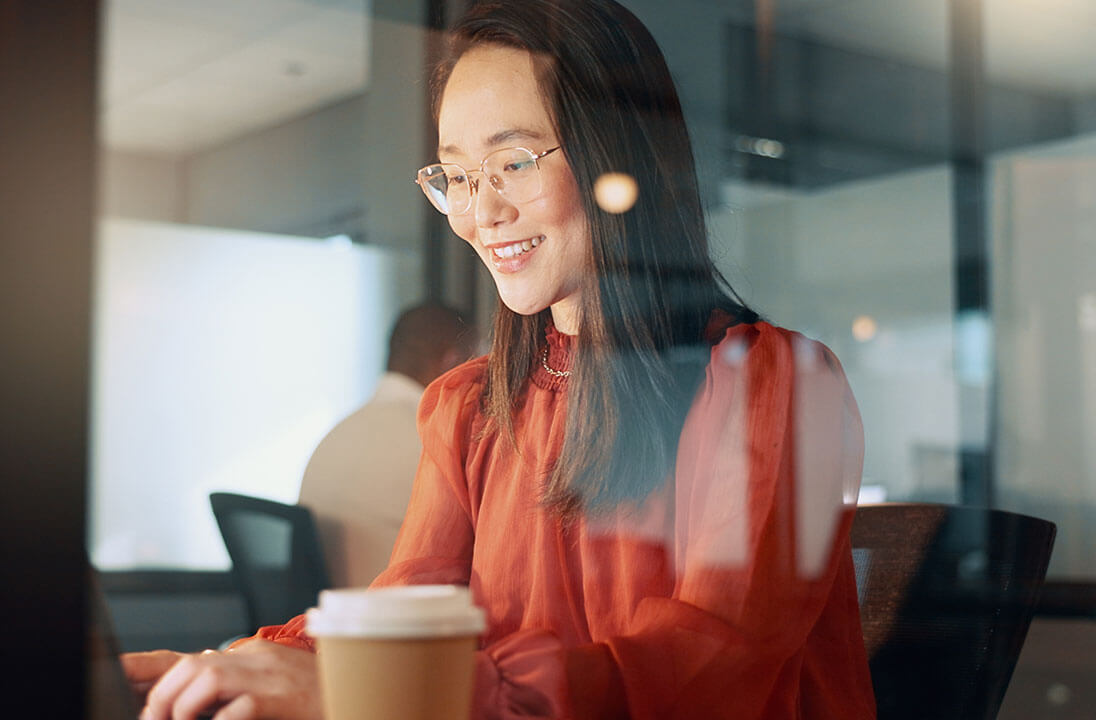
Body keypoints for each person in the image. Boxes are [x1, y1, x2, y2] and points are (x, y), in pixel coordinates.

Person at [122, 1, 875, 718]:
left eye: (513, 162)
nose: (481, 213)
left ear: (618, 161)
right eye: (456, 175)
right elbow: (404, 609)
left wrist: (380, 696)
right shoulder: (471, 408)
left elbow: (706, 667)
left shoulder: (769, 385)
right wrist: (232, 664)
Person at [298, 302, 474, 588]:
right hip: (393, 622)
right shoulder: (433, 444)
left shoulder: (333, 437)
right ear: (451, 363)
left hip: (329, 622)